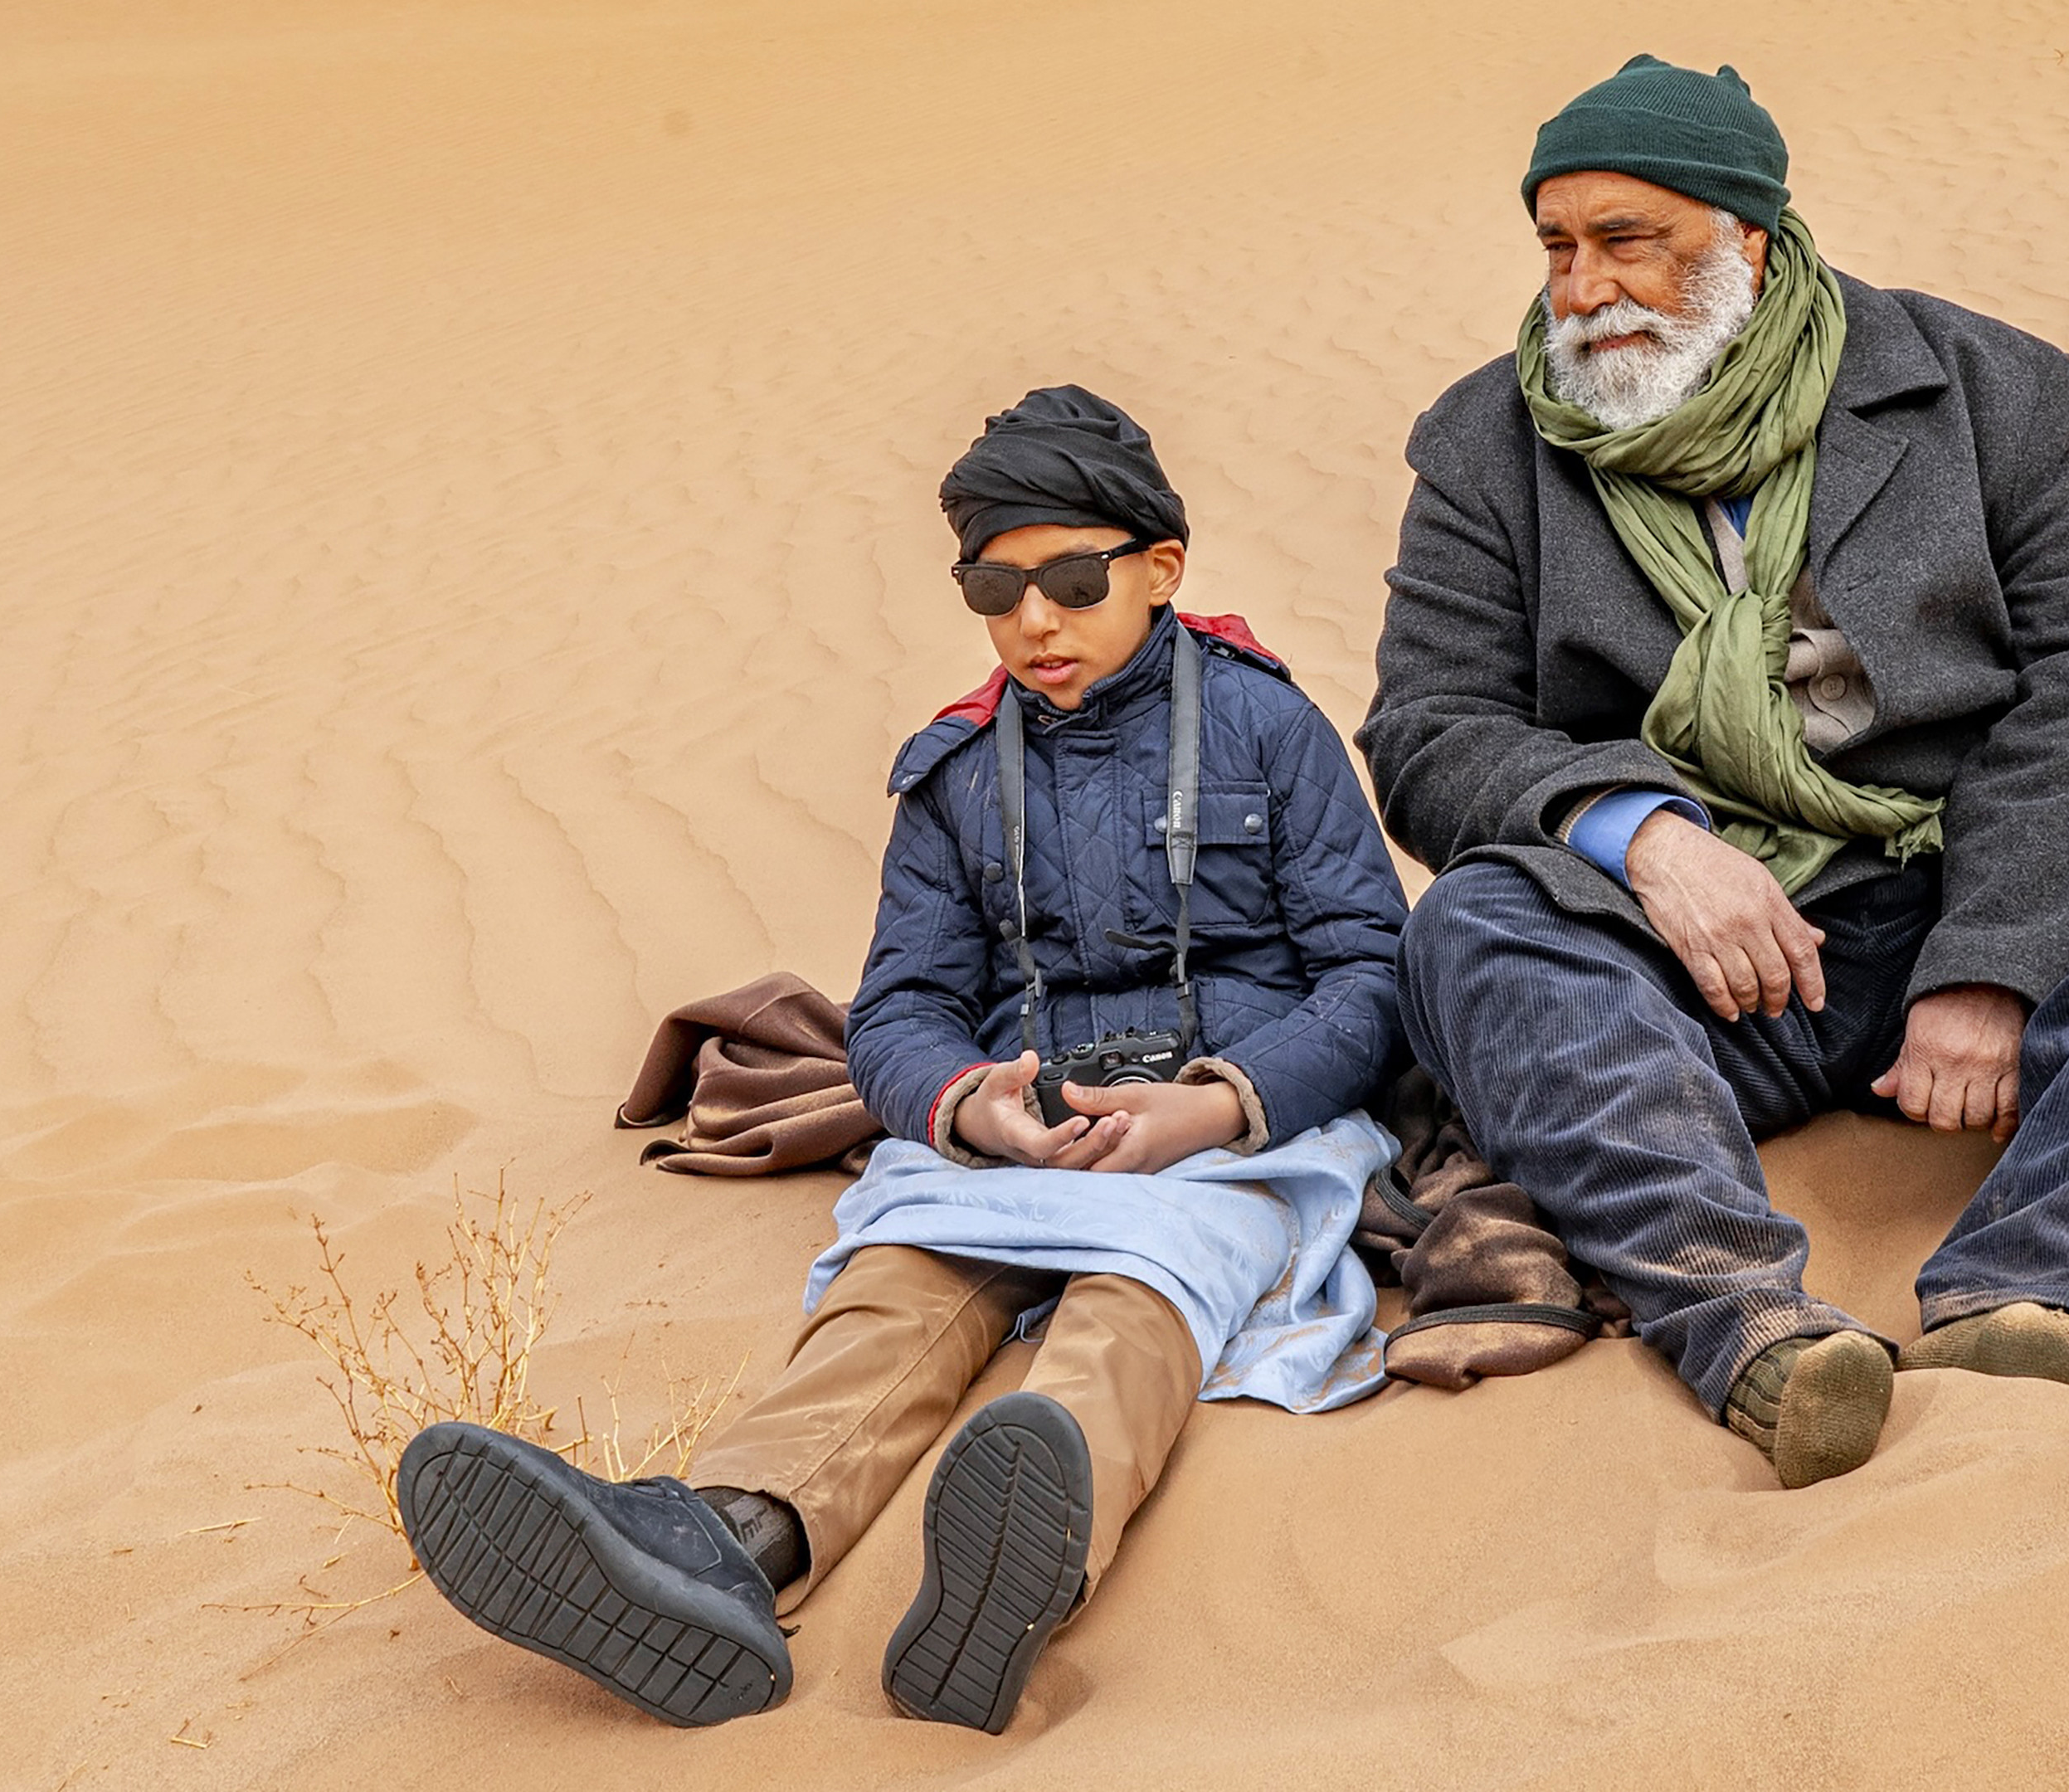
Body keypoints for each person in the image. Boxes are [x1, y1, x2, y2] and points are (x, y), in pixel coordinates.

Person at [1361, 56, 2069, 1491]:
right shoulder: (1485, 447)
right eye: (1557, 247)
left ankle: (2043, 1291)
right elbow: (1433, 727)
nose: (1581, 291)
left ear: (1750, 239)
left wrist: (1998, 965)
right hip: (1710, 955)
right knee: (1477, 931)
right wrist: (1644, 835)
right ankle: (1749, 1328)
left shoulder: (1983, 393)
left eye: (1628, 240)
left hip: (1969, 876)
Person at [397, 386, 1413, 1731]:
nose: (1033, 619)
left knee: (1136, 1303)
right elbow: (896, 1013)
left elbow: (1370, 971)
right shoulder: (950, 774)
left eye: (1069, 577)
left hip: (1228, 1129)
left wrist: (1215, 1108)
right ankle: (719, 1547)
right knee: (895, 1294)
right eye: (995, 586)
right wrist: (968, 1107)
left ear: (1161, 570)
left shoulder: (1270, 731)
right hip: (1026, 1126)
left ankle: (1004, 1582)